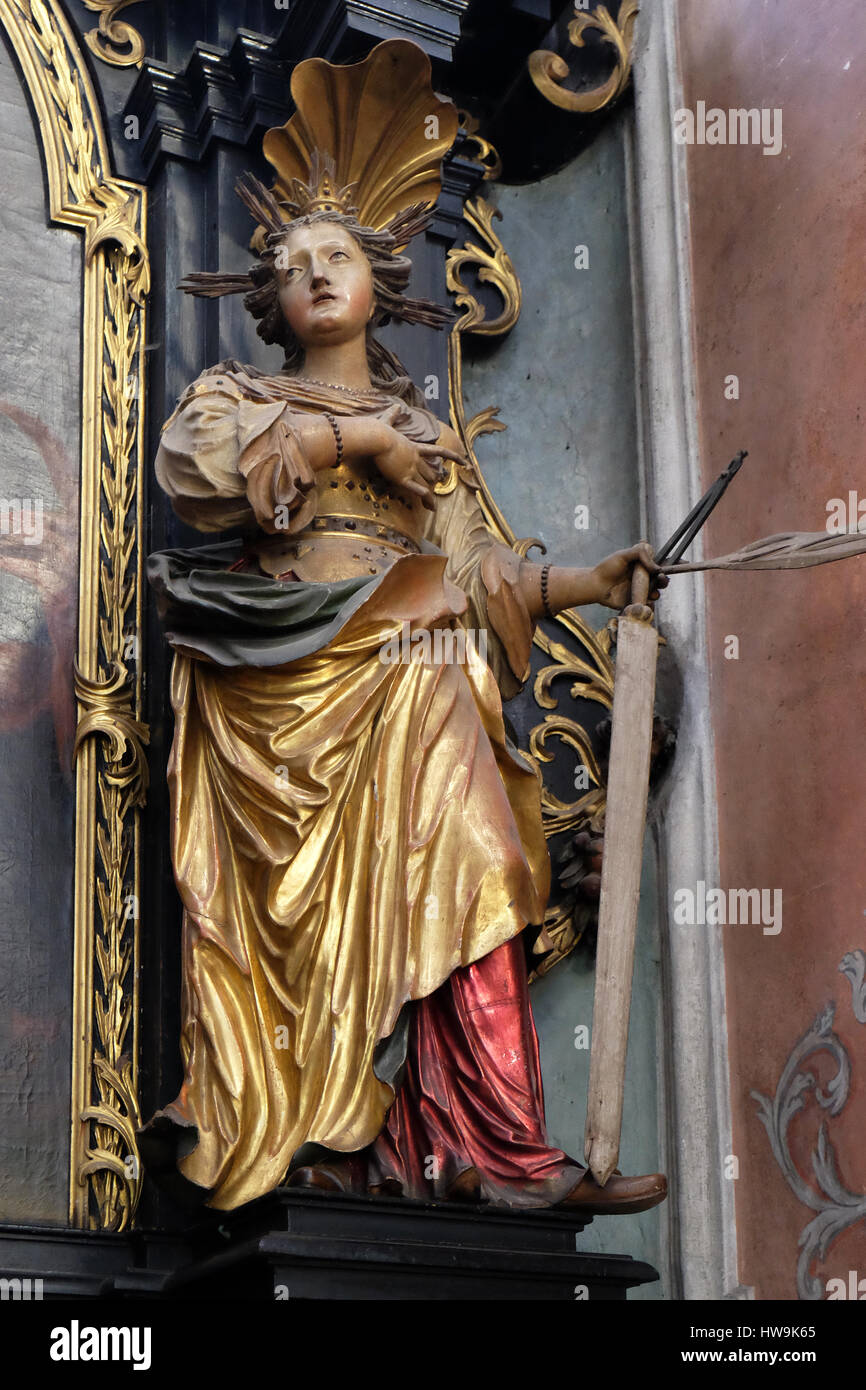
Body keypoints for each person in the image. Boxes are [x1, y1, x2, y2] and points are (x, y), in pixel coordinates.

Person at [138, 157, 668, 1217]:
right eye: (293, 264)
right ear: (271, 300)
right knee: (397, 760)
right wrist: (360, 436)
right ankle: (324, 1133)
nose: (316, 274)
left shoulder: (429, 441)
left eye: (336, 255)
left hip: (409, 671)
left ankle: (486, 1142)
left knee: (480, 846)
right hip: (282, 683)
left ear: (378, 281)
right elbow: (199, 475)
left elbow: (478, 577)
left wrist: (590, 583)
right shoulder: (234, 396)